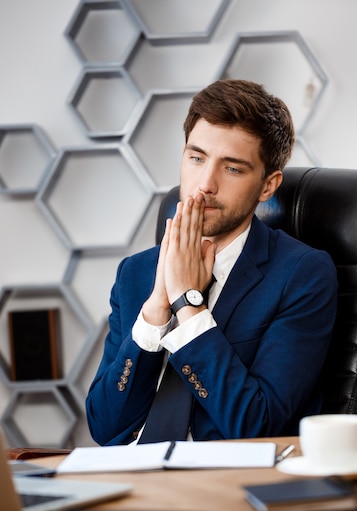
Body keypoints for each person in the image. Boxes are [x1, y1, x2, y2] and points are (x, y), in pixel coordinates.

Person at [86, 79, 337, 446]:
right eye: (197, 158)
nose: (205, 184)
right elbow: (103, 426)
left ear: (268, 186)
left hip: (228, 482)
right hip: (129, 477)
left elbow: (257, 426)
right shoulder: (135, 273)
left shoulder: (303, 275)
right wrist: (158, 305)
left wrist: (188, 302)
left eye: (232, 168)